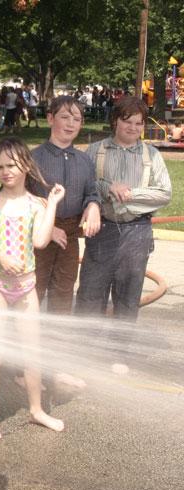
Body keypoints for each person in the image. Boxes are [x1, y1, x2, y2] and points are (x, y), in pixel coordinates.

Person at [0, 136, 66, 439]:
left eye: (11, 165)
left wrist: (51, 204)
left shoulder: (36, 204)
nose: (5, 172)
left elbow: (40, 241)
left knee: (31, 350)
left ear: (26, 164)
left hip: (25, 287)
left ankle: (37, 410)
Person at [75, 96, 172, 321]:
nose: (133, 128)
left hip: (137, 232)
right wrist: (109, 188)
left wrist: (130, 194)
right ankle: (86, 350)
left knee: (128, 300)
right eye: (127, 121)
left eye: (139, 123)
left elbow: (164, 194)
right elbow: (84, 186)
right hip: (102, 231)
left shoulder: (152, 155)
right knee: (90, 295)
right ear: (115, 121)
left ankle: (120, 353)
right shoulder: (95, 150)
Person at [31, 97, 101, 316]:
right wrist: (46, 228)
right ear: (50, 118)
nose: (71, 124)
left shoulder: (85, 160)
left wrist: (93, 205)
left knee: (64, 289)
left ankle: (55, 341)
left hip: (69, 237)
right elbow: (22, 197)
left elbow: (92, 191)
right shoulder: (32, 158)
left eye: (77, 119)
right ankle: (24, 340)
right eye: (64, 117)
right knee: (33, 288)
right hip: (37, 236)